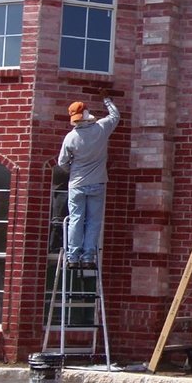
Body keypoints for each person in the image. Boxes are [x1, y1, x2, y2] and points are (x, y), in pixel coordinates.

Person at [57, 97, 120, 270]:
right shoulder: (101, 128)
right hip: (98, 182)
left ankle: (73, 257)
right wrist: (106, 99)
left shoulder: (71, 137)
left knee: (76, 220)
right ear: (86, 114)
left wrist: (73, 169)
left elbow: (62, 162)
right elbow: (115, 116)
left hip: (77, 184)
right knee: (93, 221)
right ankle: (88, 257)